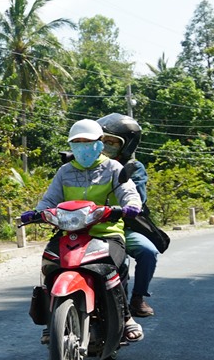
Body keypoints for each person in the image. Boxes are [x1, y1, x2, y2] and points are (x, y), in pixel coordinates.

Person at [20, 118, 145, 344]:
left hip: (106, 233)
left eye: (87, 142)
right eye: (76, 143)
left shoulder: (113, 167)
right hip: (70, 232)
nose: (82, 147)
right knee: (51, 263)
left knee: (109, 267)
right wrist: (36, 213)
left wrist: (131, 206)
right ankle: (52, 321)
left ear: (99, 143)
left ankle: (126, 318)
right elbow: (49, 199)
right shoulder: (65, 171)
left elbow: (128, 192)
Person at [97, 113, 159, 318]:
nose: (105, 145)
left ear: (126, 146)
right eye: (102, 140)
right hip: (83, 224)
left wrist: (127, 203)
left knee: (147, 252)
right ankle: (51, 315)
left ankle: (137, 298)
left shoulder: (134, 168)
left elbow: (137, 198)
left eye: (111, 142)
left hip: (122, 226)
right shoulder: (82, 164)